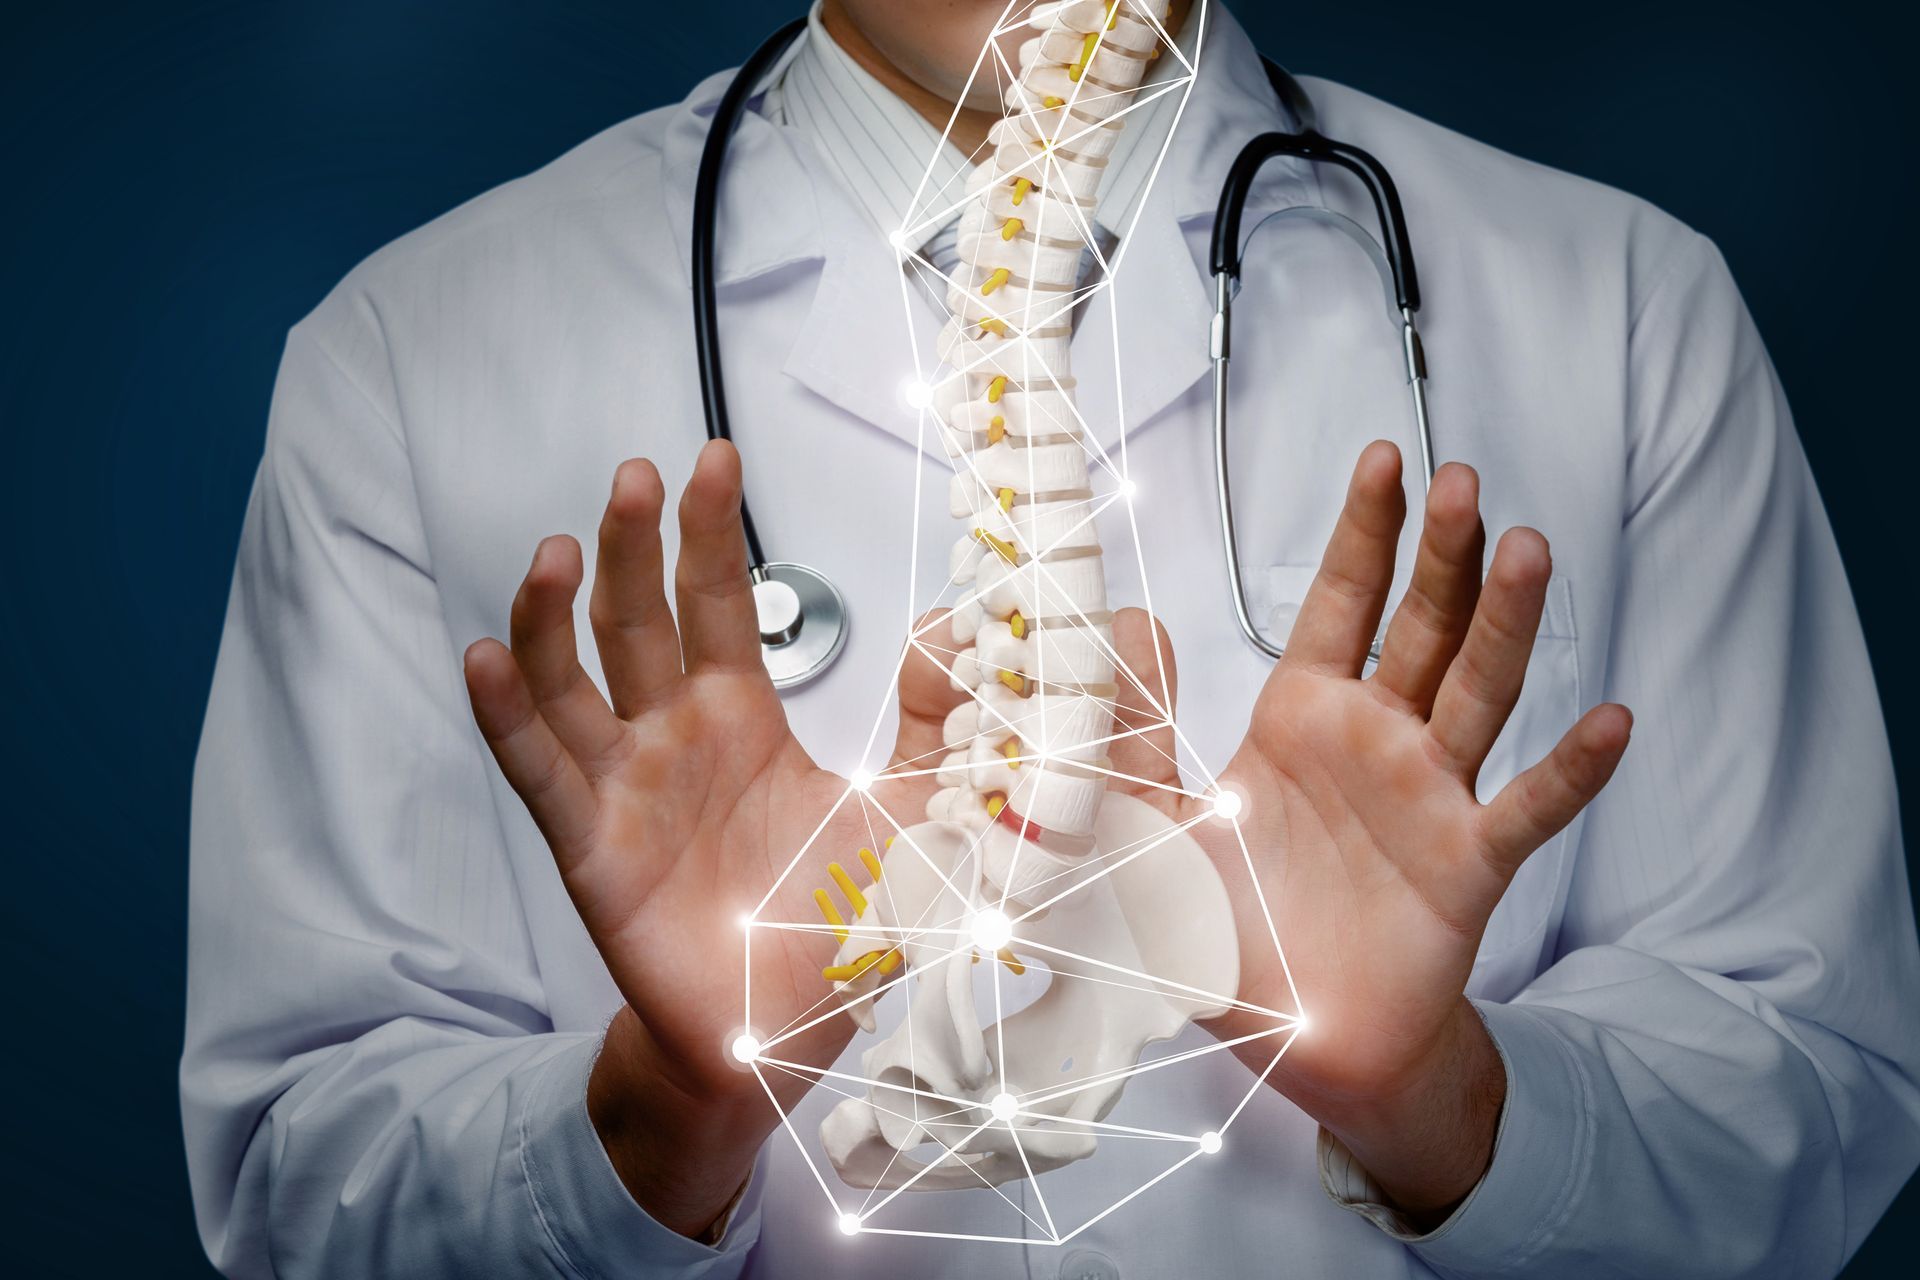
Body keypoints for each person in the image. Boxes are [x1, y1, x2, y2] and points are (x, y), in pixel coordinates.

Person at [182, 0, 1920, 1275]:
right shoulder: (412, 356)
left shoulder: (1619, 309)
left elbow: (1815, 1108)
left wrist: (1443, 1091)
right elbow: (294, 1183)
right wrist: (667, 1105)